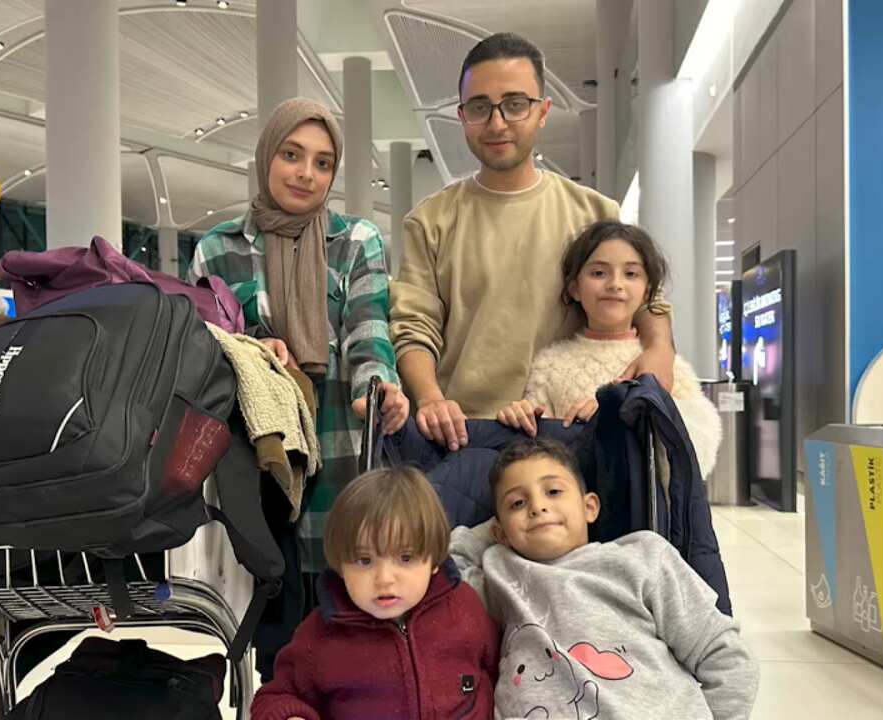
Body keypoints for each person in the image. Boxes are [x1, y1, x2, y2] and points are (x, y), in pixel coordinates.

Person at [189, 97, 410, 678]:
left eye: (322, 162)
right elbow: (204, 347)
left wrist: (378, 387)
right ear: (266, 156)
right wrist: (254, 348)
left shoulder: (355, 240)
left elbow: (369, 328)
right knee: (278, 638)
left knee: (352, 626)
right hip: (262, 460)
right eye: (292, 155)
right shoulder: (217, 249)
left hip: (339, 446)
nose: (306, 173)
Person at [391, 32, 677, 453]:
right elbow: (414, 327)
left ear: (543, 111)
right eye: (480, 107)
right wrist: (431, 398)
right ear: (462, 116)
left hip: (571, 434)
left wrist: (659, 350)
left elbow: (647, 297)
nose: (497, 123)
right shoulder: (430, 221)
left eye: (515, 104)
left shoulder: (594, 212)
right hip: (464, 435)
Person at [451, 438, 758, 720]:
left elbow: (724, 655)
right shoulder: (499, 573)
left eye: (553, 491)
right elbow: (447, 564)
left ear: (589, 507)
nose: (538, 507)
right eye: (517, 503)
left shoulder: (641, 557)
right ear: (499, 533)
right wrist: (501, 531)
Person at [251, 466, 500, 720]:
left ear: (434, 560)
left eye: (405, 557)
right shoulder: (319, 634)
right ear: (340, 566)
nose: (384, 579)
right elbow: (274, 697)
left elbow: (498, 669)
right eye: (364, 560)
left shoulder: (465, 608)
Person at [497, 220, 722, 473]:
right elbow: (534, 459)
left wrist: (625, 414)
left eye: (631, 274)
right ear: (574, 288)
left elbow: (699, 450)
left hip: (635, 498)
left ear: (647, 292)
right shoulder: (549, 365)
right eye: (598, 273)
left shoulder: (663, 365)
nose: (615, 284)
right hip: (573, 495)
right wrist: (520, 418)